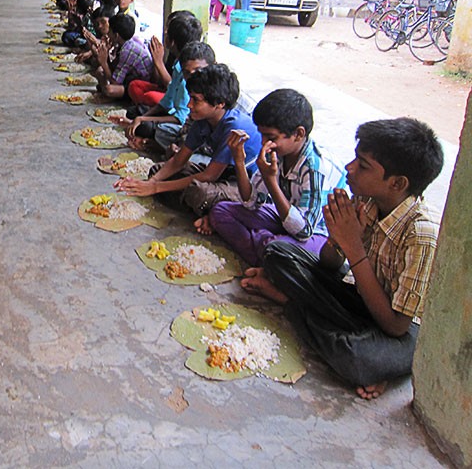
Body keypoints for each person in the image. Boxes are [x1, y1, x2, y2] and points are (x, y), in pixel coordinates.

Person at [242, 118, 444, 400]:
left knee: (354, 358)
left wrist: (354, 249)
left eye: (363, 165)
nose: (350, 168)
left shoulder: (422, 233)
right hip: (361, 299)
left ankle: (290, 303)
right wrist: (338, 240)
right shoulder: (367, 199)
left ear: (398, 183)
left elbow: (396, 325)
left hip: (403, 327)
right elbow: (328, 266)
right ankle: (331, 326)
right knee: (279, 253)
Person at [203, 89, 347, 261]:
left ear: (298, 134)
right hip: (284, 218)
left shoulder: (315, 169)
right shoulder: (277, 153)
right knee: (220, 211)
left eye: (270, 137)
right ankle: (265, 251)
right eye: (262, 135)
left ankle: (265, 249)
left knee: (276, 248)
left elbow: (304, 231)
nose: (263, 142)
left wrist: (271, 181)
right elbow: (251, 202)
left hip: (318, 235)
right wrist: (239, 162)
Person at [115, 63, 262, 216]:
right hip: (219, 174)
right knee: (156, 170)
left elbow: (210, 176)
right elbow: (179, 160)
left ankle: (214, 213)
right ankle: (198, 207)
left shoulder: (233, 127)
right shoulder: (202, 120)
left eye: (196, 100)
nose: (189, 104)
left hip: (242, 183)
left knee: (198, 193)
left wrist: (156, 188)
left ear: (219, 104)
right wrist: (152, 182)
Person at [124, 40, 215, 155]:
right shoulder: (188, 83)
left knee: (187, 160)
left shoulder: (216, 94)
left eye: (198, 71)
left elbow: (218, 146)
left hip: (214, 151)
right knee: (161, 131)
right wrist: (141, 118)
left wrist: (180, 152)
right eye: (187, 73)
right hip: (195, 134)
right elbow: (189, 126)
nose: (193, 77)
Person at [126, 10, 203, 109]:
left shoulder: (189, 61)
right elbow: (158, 81)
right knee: (135, 86)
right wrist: (156, 60)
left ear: (173, 41)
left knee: (150, 97)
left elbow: (176, 90)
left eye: (168, 31)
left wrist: (159, 63)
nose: (165, 32)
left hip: (180, 101)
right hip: (167, 92)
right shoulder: (173, 54)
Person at [91, 14, 154, 100]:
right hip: (129, 79)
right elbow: (114, 68)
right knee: (99, 72)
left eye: (110, 31)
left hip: (140, 86)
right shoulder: (125, 43)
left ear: (116, 35)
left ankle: (109, 97)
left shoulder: (128, 51)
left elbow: (115, 82)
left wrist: (104, 63)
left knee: (109, 89)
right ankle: (107, 95)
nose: (108, 34)